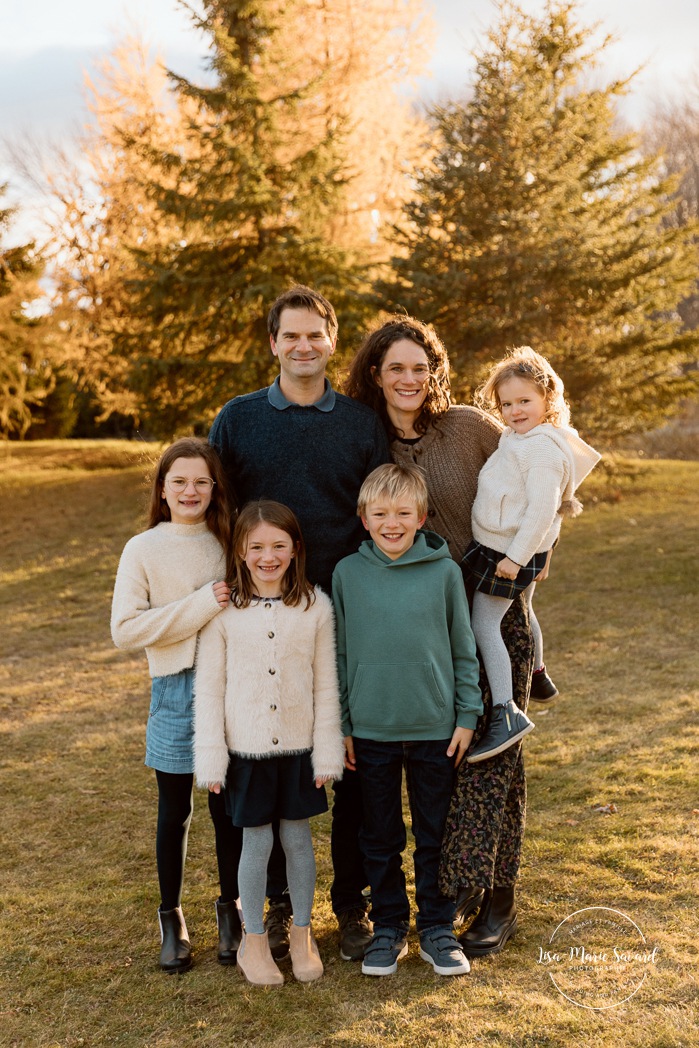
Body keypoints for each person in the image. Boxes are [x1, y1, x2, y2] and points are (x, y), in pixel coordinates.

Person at [209, 285, 390, 961]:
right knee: (259, 750)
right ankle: (261, 903)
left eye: (315, 334)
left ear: (332, 340)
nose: (304, 346)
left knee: (346, 752)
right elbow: (217, 511)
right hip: (260, 615)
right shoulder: (238, 418)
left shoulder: (360, 424)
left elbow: (381, 510)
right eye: (291, 335)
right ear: (273, 344)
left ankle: (351, 902)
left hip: (342, 610)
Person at [345, 316, 534, 956]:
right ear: (376, 373)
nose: (408, 379)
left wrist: (532, 559)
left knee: (493, 766)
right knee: (444, 782)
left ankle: (497, 900)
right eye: (394, 367)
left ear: (434, 372)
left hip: (490, 615)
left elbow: (540, 472)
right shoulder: (368, 442)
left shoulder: (472, 428)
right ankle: (442, 898)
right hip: (418, 634)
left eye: (418, 367)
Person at [332, 463, 482, 977]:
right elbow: (340, 654)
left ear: (421, 517)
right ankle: (390, 925)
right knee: (379, 835)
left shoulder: (443, 573)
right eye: (380, 513)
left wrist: (466, 714)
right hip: (370, 731)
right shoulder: (347, 574)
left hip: (435, 730)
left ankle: (437, 928)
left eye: (402, 512)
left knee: (434, 832)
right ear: (363, 518)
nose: (391, 522)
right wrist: (344, 723)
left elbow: (464, 650)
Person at [194, 501, 345, 986]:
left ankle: (302, 934)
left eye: (278, 545)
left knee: (298, 840)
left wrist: (326, 752)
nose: (268, 556)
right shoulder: (223, 613)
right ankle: (253, 940)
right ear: (240, 551)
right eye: (257, 547)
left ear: (295, 549)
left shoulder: (315, 606)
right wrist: (212, 761)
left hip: (300, 749)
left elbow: (326, 685)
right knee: (255, 843)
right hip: (246, 753)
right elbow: (210, 689)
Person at [110, 438, 243, 973]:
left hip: (230, 687)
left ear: (215, 490)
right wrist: (199, 603)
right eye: (179, 482)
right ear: (162, 490)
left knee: (226, 807)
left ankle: (231, 913)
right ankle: (172, 919)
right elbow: (125, 629)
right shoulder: (142, 548)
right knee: (176, 809)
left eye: (201, 482)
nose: (191, 491)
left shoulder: (230, 541)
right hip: (172, 689)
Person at [463, 346, 601, 763]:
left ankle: (506, 712)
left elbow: (545, 507)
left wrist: (519, 557)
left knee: (484, 622)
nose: (515, 410)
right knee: (524, 609)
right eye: (507, 403)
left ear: (548, 399)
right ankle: (538, 673)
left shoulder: (542, 449)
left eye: (525, 401)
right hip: (512, 546)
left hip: (510, 552)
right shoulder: (518, 438)